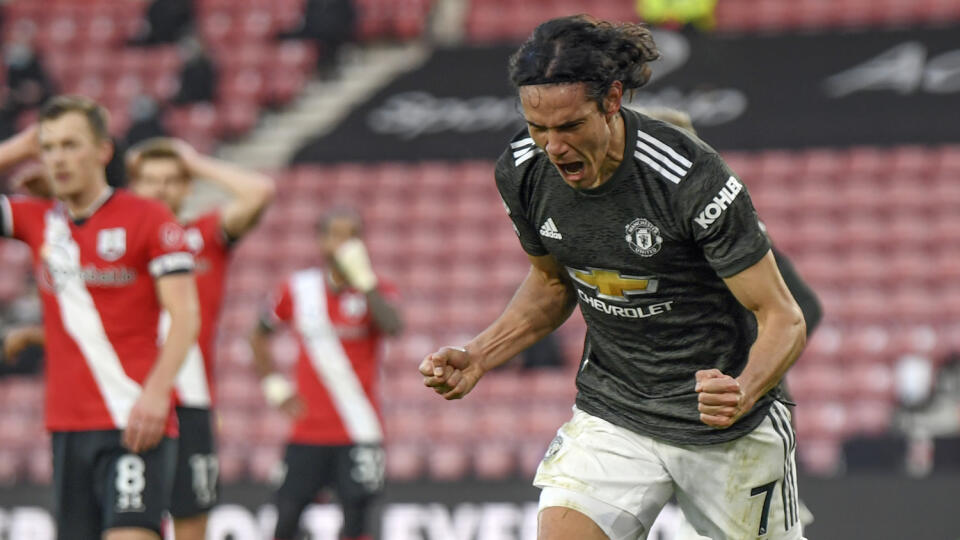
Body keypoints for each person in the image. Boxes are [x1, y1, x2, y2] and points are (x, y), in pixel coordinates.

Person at [420, 15, 807, 540]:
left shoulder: (688, 177)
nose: (552, 146)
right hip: (615, 410)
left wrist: (743, 389)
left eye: (568, 127)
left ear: (611, 100)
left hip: (724, 426)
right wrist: (481, 353)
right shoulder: (522, 171)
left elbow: (783, 316)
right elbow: (553, 284)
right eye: (538, 128)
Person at [0, 96, 199, 539]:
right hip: (68, 427)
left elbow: (185, 315)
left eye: (71, 145)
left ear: (103, 151)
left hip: (135, 421)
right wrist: (17, 148)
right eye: (49, 148)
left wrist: (156, 393)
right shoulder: (37, 220)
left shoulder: (148, 217)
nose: (58, 158)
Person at [637, 107, 822, 537]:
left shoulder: (727, 225)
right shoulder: (658, 229)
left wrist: (751, 370)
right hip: (679, 408)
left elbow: (802, 308)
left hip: (742, 406)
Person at [124, 137, 276, 540]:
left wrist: (196, 162)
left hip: (192, 404)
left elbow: (258, 192)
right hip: (126, 400)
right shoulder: (116, 245)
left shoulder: (203, 235)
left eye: (173, 179)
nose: (161, 189)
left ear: (187, 186)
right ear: (133, 187)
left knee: (192, 527)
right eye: (150, 180)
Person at [249, 207, 402, 540]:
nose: (344, 243)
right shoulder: (298, 288)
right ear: (321, 241)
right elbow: (258, 334)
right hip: (308, 431)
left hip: (361, 429)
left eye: (352, 235)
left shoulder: (376, 290)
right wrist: (274, 384)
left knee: (359, 523)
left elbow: (394, 327)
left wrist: (365, 282)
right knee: (286, 518)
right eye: (336, 234)